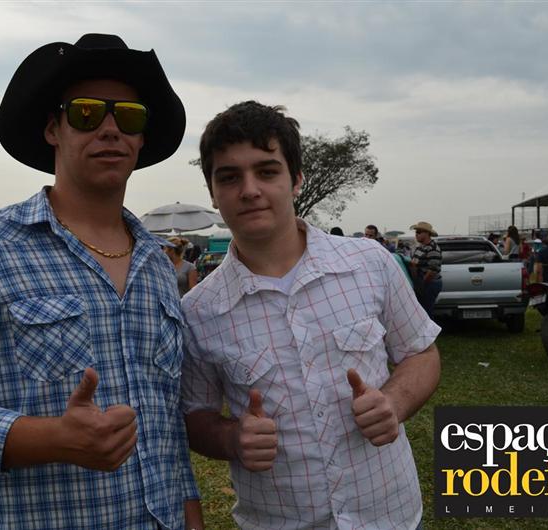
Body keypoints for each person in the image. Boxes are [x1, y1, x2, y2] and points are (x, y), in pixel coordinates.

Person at [0, 34, 202, 529]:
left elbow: (164, 424)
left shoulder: (156, 263)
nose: (110, 128)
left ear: (141, 138)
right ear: (52, 129)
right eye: (86, 113)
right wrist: (50, 438)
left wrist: (191, 515)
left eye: (129, 116)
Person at [181, 101, 441, 530]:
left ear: (297, 179)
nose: (249, 190)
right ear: (212, 191)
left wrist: (393, 403)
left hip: (389, 514)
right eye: (229, 177)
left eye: (267, 171)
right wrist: (231, 438)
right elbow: (194, 415)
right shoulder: (198, 311)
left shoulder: (369, 262)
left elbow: (421, 353)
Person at [409, 221, 443, 317]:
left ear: (427, 233)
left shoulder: (433, 248)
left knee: (426, 313)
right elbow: (414, 263)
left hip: (429, 284)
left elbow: (432, 271)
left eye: (419, 232)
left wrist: (421, 285)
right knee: (422, 312)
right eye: (416, 232)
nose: (416, 234)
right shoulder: (420, 248)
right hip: (422, 283)